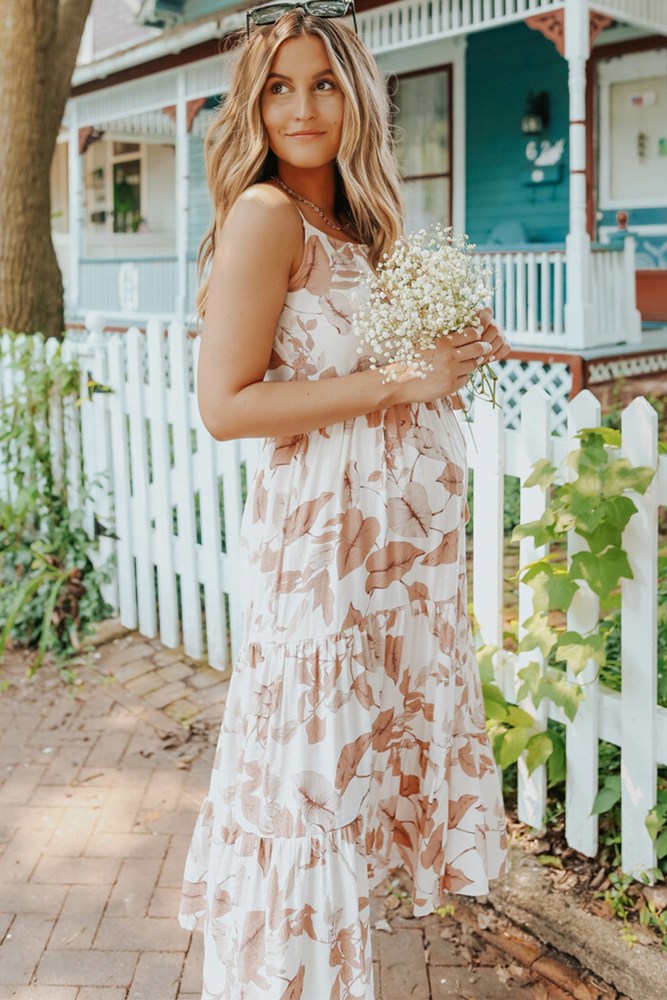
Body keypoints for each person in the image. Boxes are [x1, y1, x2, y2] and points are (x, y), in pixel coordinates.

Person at [178, 3, 511, 997]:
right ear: (254, 103)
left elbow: (399, 367)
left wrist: (452, 351)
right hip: (315, 553)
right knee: (305, 787)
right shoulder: (266, 216)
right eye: (278, 85)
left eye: (323, 81)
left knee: (349, 778)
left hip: (389, 562)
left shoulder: (359, 226)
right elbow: (225, 407)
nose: (302, 105)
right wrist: (399, 383)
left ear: (357, 94)